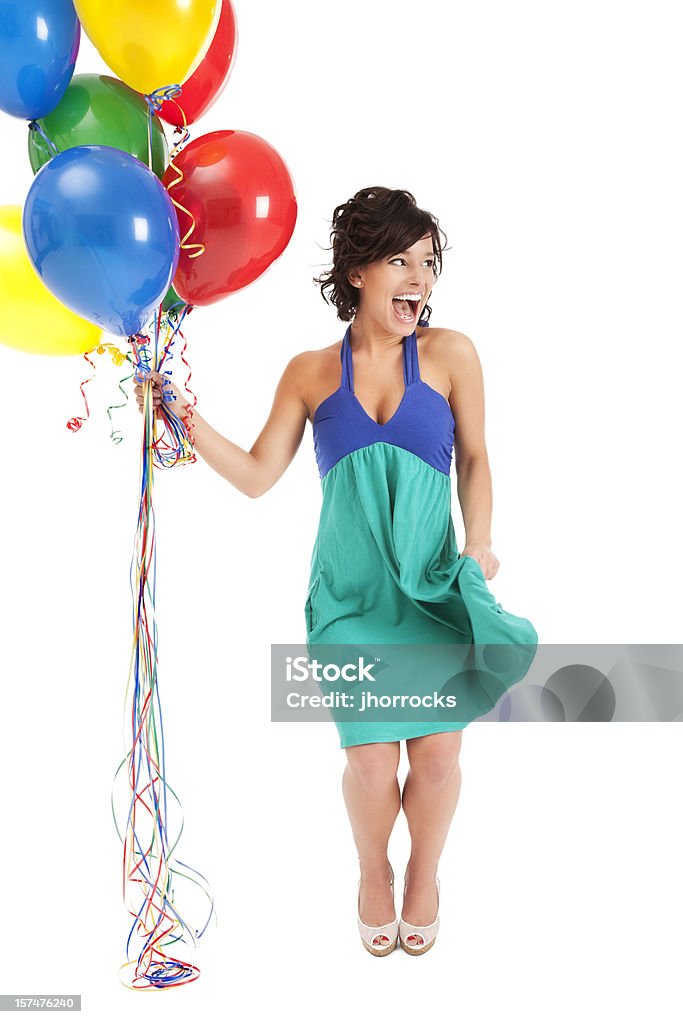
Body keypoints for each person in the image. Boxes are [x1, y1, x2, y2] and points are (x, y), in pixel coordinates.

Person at [135, 186, 537, 957]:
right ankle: (370, 874)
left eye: (428, 262)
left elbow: (478, 460)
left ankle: (423, 871)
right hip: (349, 600)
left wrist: (480, 541)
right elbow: (257, 475)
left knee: (441, 752)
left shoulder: (452, 354)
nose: (419, 278)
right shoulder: (310, 373)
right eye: (400, 260)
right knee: (368, 756)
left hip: (433, 587)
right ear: (356, 271)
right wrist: (184, 418)